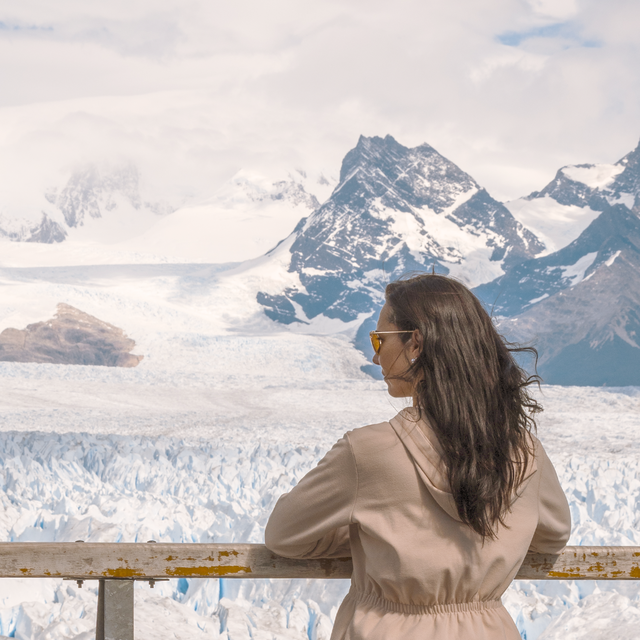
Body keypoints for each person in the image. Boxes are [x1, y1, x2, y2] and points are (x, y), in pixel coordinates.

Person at [265, 273, 571, 640]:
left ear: (416, 344)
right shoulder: (524, 450)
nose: (375, 354)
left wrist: (376, 539)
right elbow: (553, 536)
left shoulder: (367, 451)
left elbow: (283, 535)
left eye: (380, 338)